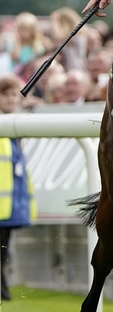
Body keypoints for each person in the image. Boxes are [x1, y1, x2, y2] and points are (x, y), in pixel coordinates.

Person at [0, 74, 37, 301]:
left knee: (4, 252)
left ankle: (4, 291)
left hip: (9, 207)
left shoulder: (15, 127)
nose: (13, 99)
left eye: (15, 94)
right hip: (4, 207)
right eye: (6, 94)